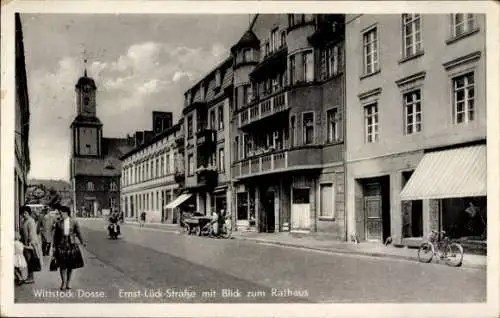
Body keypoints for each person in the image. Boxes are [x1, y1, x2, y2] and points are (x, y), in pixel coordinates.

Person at [52, 205, 85, 290]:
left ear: (66, 212)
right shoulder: (58, 222)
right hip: (61, 246)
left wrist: (82, 241)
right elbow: (55, 236)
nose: (60, 215)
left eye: (61, 213)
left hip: (71, 245)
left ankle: (68, 282)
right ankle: (63, 282)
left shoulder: (74, 221)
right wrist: (54, 246)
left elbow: (78, 232)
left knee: (70, 265)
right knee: (62, 265)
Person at [20, 205, 43, 284]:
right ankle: (28, 277)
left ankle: (31, 278)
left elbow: (32, 234)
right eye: (22, 213)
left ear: (29, 213)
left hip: (30, 245)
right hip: (25, 244)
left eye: (25, 213)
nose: (24, 214)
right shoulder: (25, 221)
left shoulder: (30, 221)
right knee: (27, 261)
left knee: (30, 261)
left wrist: (30, 244)